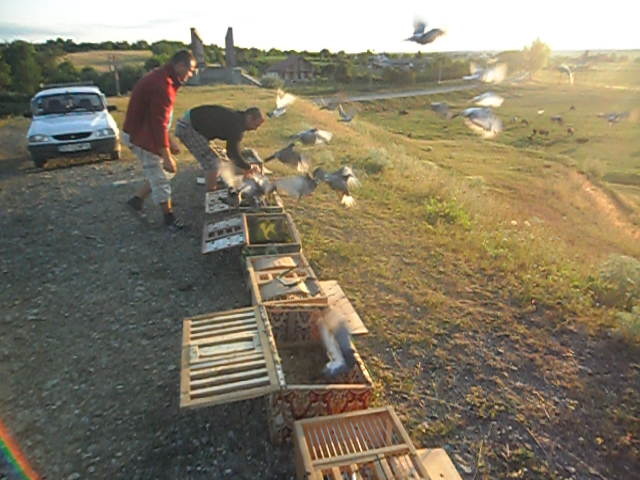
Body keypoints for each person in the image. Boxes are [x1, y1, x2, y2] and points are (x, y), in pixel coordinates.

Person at [123, 49, 196, 231]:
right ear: (180, 66)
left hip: (144, 132)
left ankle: (136, 201)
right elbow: (157, 123)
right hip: (141, 137)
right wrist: (166, 154)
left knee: (165, 173)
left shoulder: (165, 79)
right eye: (190, 70)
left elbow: (157, 119)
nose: (192, 74)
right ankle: (169, 220)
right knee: (161, 175)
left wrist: (169, 143)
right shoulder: (162, 85)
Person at [174, 105, 265, 192]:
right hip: (188, 128)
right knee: (212, 162)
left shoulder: (238, 119)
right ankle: (211, 193)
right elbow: (232, 153)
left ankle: (214, 179)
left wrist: (245, 167)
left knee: (220, 156)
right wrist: (248, 167)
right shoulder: (236, 125)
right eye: (256, 125)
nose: (255, 129)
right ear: (249, 117)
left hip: (193, 125)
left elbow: (233, 149)